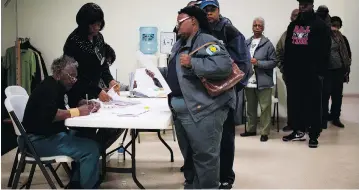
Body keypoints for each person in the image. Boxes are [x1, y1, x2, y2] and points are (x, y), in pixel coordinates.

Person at [148, 6, 235, 189]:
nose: (177, 26)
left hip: (204, 110)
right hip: (183, 110)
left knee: (205, 156)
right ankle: (193, 185)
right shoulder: (180, 43)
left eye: (180, 22)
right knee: (191, 156)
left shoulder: (206, 41)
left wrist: (193, 62)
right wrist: (159, 74)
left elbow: (224, 65)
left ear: (193, 21)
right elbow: (177, 71)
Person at [22, 56, 101, 189]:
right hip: (37, 141)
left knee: (86, 136)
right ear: (58, 74)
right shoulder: (48, 88)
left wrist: (83, 103)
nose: (74, 81)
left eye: (75, 77)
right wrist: (77, 111)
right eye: (71, 76)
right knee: (91, 149)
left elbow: (66, 105)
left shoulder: (58, 87)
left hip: (50, 136)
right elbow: (52, 115)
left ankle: (76, 183)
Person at [199, 0, 251, 188]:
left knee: (226, 137)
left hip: (226, 94)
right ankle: (208, 176)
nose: (209, 13)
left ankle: (226, 177)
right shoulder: (200, 32)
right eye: (206, 10)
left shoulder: (230, 31)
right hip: (204, 95)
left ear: (219, 11)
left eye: (212, 10)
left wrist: (233, 88)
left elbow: (245, 63)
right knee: (206, 137)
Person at [63, 3, 124, 151]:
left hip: (94, 90)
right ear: (84, 24)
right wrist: (97, 90)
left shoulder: (98, 38)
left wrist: (110, 80)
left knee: (114, 126)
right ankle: (84, 163)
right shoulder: (73, 43)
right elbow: (76, 76)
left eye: (99, 24)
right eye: (93, 24)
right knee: (85, 132)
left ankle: (95, 154)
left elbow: (102, 64)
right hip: (78, 92)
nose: (97, 28)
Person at [282, 0, 331, 148]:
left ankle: (314, 135)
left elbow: (325, 50)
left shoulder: (319, 25)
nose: (302, 7)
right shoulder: (293, 25)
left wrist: (321, 72)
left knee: (314, 105)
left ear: (312, 5)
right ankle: (298, 130)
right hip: (295, 73)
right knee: (296, 104)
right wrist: (287, 70)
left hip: (312, 73)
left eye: (306, 4)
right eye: (300, 4)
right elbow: (288, 49)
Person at [241, 17, 276, 142]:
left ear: (263, 28)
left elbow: (273, 62)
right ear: (252, 27)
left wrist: (258, 63)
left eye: (259, 25)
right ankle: (251, 129)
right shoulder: (246, 42)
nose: (257, 27)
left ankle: (265, 132)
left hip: (263, 81)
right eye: (255, 25)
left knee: (265, 108)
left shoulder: (268, 44)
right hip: (249, 81)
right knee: (250, 107)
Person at [316, 7, 351, 129]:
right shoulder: (319, 34)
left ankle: (335, 117)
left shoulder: (339, 35)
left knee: (337, 95)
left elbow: (346, 52)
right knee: (324, 95)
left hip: (338, 70)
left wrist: (346, 67)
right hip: (325, 70)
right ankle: (323, 119)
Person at [276, 8, 299, 132]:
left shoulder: (308, 33)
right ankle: (291, 123)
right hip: (290, 74)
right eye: (294, 15)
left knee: (305, 100)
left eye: (298, 15)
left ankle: (304, 125)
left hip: (306, 74)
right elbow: (278, 51)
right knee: (291, 100)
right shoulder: (286, 34)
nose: (296, 17)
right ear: (291, 18)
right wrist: (283, 68)